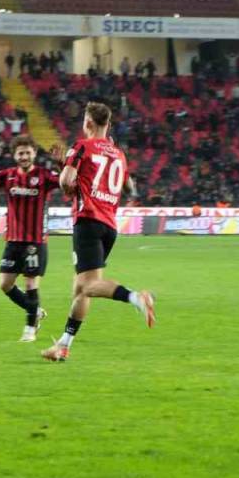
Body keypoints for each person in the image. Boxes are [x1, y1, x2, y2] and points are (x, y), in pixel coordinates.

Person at [41, 102, 155, 363]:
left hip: (87, 221)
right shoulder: (118, 153)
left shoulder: (82, 146)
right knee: (81, 289)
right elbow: (130, 189)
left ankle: (137, 297)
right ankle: (63, 346)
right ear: (109, 125)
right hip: (109, 225)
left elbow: (66, 182)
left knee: (90, 286)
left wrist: (65, 167)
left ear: (89, 123)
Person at [0, 135, 62, 342]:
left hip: (35, 242)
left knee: (31, 283)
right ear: (15, 155)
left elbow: (67, 181)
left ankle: (30, 329)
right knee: (5, 284)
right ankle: (35, 311)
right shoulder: (8, 176)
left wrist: (62, 163)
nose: (24, 156)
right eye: (20, 153)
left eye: (27, 152)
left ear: (34, 153)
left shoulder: (44, 176)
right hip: (13, 240)